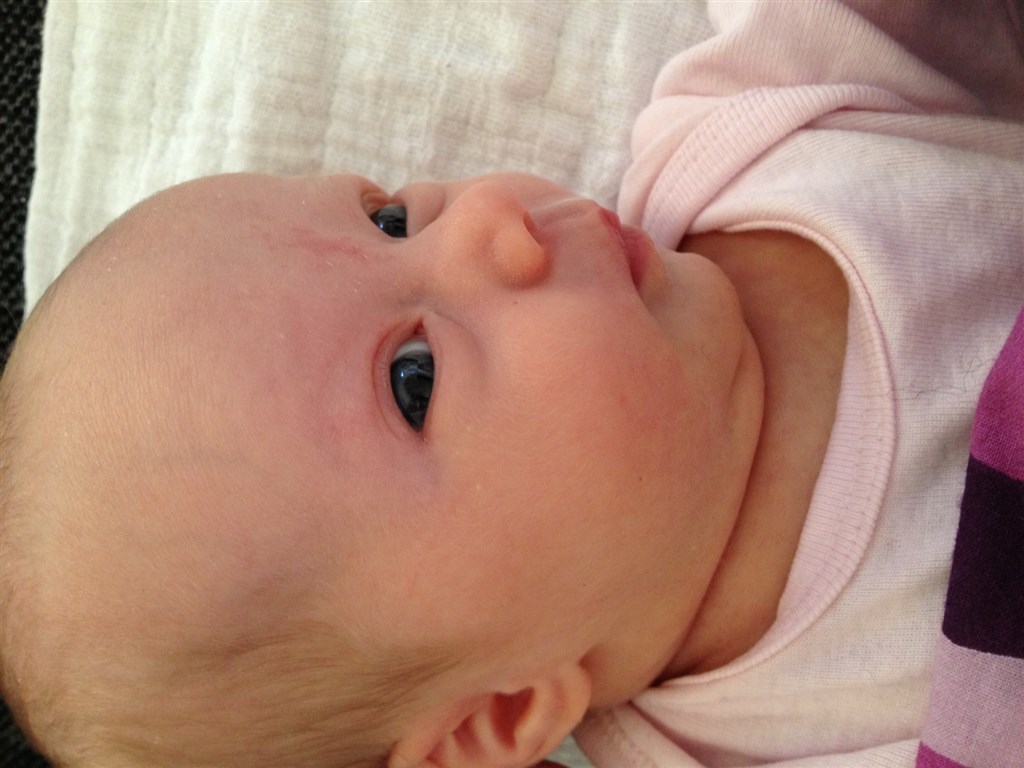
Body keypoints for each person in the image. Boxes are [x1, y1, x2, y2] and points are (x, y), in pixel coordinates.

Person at [1, 2, 1021, 768]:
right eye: (413, 377)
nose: (492, 218)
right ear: (497, 718)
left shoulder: (760, 138)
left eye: (392, 219)